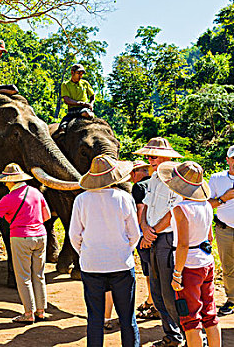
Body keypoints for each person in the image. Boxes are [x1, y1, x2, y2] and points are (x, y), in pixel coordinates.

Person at [69, 155, 140, 347]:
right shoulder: (124, 198)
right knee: (127, 318)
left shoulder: (81, 200)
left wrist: (85, 253)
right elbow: (135, 234)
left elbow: (74, 235)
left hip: (92, 266)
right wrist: (124, 251)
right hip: (121, 265)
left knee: (95, 318)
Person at [158, 160, 221, 347]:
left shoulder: (180, 209)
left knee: (190, 318)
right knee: (210, 313)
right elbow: (209, 237)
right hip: (206, 261)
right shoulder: (207, 206)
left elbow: (183, 244)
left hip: (189, 266)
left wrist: (177, 274)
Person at [0, 163, 51, 324]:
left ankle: (28, 313)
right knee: (39, 275)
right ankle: (40, 311)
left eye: (6, 181)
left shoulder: (9, 198)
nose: (5, 184)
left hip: (21, 237)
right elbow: (46, 216)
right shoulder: (35, 192)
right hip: (41, 236)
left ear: (11, 181)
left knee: (23, 277)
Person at [133, 137, 184, 347]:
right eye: (148, 156)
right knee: (157, 291)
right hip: (154, 236)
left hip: (167, 239)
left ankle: (187, 334)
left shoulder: (177, 177)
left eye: (153, 156)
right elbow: (144, 206)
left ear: (165, 156)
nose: (149, 159)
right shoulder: (154, 178)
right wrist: (145, 229)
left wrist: (150, 232)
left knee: (170, 292)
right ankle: (172, 335)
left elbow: (175, 213)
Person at [130, 160, 159, 320]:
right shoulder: (157, 182)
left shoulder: (139, 187)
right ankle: (151, 300)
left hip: (146, 234)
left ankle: (155, 304)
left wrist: (142, 235)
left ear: (136, 173)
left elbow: (141, 212)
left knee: (149, 271)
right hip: (161, 232)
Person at [207, 145, 234, 316]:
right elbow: (207, 205)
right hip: (225, 229)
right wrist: (224, 198)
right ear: (228, 160)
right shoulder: (217, 179)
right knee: (228, 266)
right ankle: (232, 300)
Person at [58, 64, 95, 131]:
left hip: (84, 109)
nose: (80, 76)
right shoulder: (65, 84)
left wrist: (91, 104)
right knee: (62, 128)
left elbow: (92, 95)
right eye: (78, 73)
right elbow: (67, 100)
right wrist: (82, 103)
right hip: (72, 111)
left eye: (82, 74)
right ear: (72, 72)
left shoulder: (85, 83)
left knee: (88, 114)